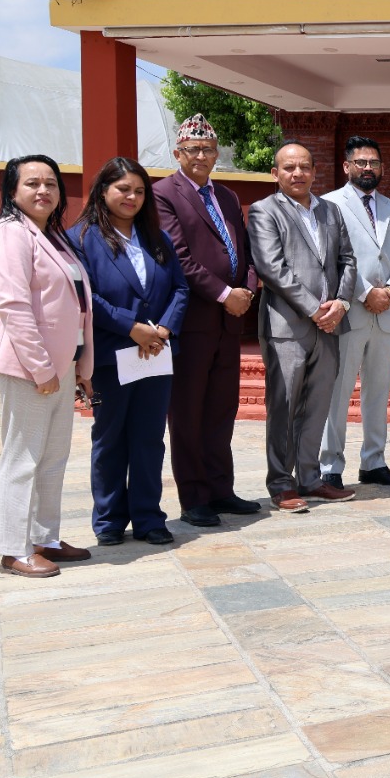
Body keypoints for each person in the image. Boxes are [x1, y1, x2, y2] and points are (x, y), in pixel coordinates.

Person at [0, 154, 96, 578]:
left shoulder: (53, 237)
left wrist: (81, 364)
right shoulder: (8, 234)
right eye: (32, 183)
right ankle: (13, 549)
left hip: (60, 365)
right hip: (29, 367)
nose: (43, 190)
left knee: (53, 456)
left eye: (51, 183)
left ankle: (45, 538)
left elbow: (75, 307)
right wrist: (41, 369)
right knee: (23, 457)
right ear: (12, 191)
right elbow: (13, 305)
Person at [69, 157, 188, 547]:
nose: (132, 197)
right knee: (110, 438)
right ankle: (108, 520)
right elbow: (87, 298)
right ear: (103, 190)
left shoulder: (157, 237)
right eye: (123, 189)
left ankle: (149, 517)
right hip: (111, 355)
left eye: (139, 191)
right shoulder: (80, 239)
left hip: (156, 353)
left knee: (149, 438)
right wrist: (131, 327)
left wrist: (164, 328)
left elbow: (180, 288)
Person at [153, 114, 260, 528]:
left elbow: (244, 251)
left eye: (208, 149)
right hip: (194, 321)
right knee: (188, 411)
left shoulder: (228, 196)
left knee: (221, 409)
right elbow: (178, 257)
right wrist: (223, 294)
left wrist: (246, 288)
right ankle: (194, 497)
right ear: (178, 153)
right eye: (193, 149)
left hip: (229, 323)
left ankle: (220, 489)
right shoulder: (164, 194)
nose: (201, 155)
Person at [247, 141, 357, 512]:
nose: (298, 173)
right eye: (289, 168)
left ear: (314, 171)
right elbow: (271, 268)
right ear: (275, 173)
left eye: (305, 167)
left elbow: (347, 260)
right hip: (287, 327)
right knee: (284, 406)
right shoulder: (264, 211)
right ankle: (281, 484)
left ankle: (310, 478)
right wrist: (315, 310)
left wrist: (340, 304)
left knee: (317, 405)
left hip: (330, 324)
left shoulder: (330, 210)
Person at [318, 137, 390, 489]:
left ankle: (374, 462)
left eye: (373, 163)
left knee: (378, 392)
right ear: (346, 166)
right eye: (360, 162)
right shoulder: (329, 205)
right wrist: (365, 292)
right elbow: (331, 256)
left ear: (382, 168)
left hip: (389, 312)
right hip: (349, 311)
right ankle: (330, 465)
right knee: (338, 390)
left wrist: (388, 291)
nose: (367, 168)